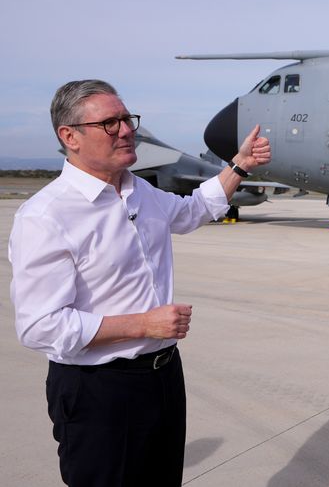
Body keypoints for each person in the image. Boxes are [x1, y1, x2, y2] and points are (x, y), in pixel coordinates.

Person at [9, 79, 272, 486]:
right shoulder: (46, 216)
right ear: (70, 137)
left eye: (127, 119)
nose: (127, 130)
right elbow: (40, 326)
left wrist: (237, 166)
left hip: (163, 377)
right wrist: (142, 325)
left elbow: (194, 210)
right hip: (98, 389)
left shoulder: (140, 192)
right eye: (110, 124)